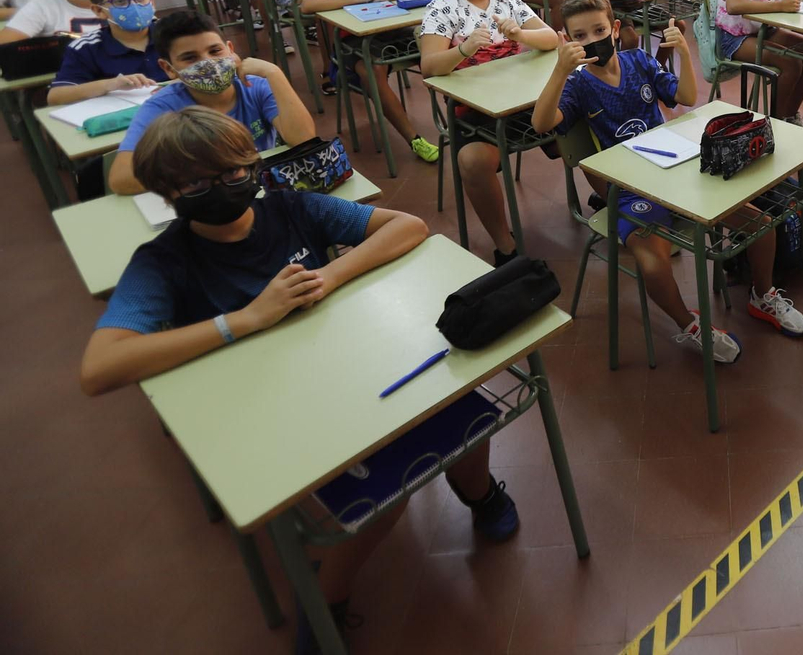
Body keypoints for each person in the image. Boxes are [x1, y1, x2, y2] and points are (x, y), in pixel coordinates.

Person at [78, 108, 519, 655]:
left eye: (233, 172)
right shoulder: (164, 261)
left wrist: (326, 276)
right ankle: (327, 598)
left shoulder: (290, 207)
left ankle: (479, 493)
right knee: (386, 496)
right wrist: (245, 320)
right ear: (167, 194)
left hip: (349, 366)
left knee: (459, 409)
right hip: (266, 404)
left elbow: (408, 227)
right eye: (196, 184)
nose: (221, 188)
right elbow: (99, 368)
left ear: (252, 166)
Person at [533, 0, 803, 359]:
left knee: (760, 223)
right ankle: (689, 324)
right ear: (567, 41)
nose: (592, 41)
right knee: (652, 260)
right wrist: (560, 70)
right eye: (580, 36)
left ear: (615, 29)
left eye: (599, 31)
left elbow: (687, 97)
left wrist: (683, 53)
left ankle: (763, 295)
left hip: (677, 170)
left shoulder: (638, 61)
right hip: (629, 190)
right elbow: (542, 124)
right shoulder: (578, 85)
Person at [418, 0, 560, 264]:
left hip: (522, 102)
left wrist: (520, 34)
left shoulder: (510, 4)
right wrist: (464, 49)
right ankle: (505, 245)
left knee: (585, 117)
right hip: (473, 111)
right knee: (473, 161)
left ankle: (614, 207)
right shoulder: (442, 10)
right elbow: (429, 67)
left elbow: (551, 38)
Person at [108, 10, 315, 194]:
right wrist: (215, 173)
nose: (207, 63)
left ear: (230, 49)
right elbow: (122, 179)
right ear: (168, 68)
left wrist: (274, 73)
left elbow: (304, 139)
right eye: (190, 58)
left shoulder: (255, 86)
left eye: (215, 51)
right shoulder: (163, 107)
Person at [300, 0, 439, 161]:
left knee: (434, 52)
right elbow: (308, 5)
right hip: (354, 39)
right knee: (372, 70)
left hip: (393, 30)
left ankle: (452, 120)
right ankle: (414, 139)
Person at [46, 0, 165, 105]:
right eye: (120, 1)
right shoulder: (86, 48)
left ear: (151, 1)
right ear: (99, 10)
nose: (134, 6)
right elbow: (55, 97)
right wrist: (111, 84)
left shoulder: (175, 31)